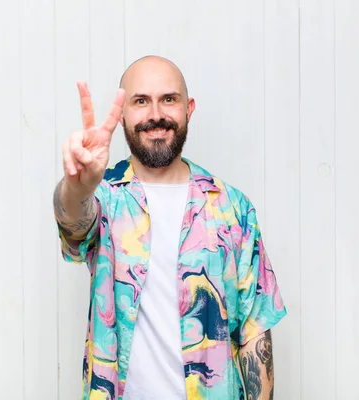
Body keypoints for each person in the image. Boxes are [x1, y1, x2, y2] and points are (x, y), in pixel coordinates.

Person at [53, 55, 286, 400]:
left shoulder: (232, 207)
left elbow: (254, 331)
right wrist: (78, 186)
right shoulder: (103, 198)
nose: (155, 114)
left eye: (169, 99)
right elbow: (73, 223)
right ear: (122, 117)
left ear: (189, 108)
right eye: (141, 101)